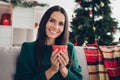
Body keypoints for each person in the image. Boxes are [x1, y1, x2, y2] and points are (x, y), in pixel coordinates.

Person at [14, 5, 82, 80]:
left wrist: (63, 69)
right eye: (52, 21)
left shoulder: (70, 49)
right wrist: (52, 70)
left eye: (61, 24)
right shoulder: (28, 49)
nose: (55, 27)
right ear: (44, 21)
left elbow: (78, 78)